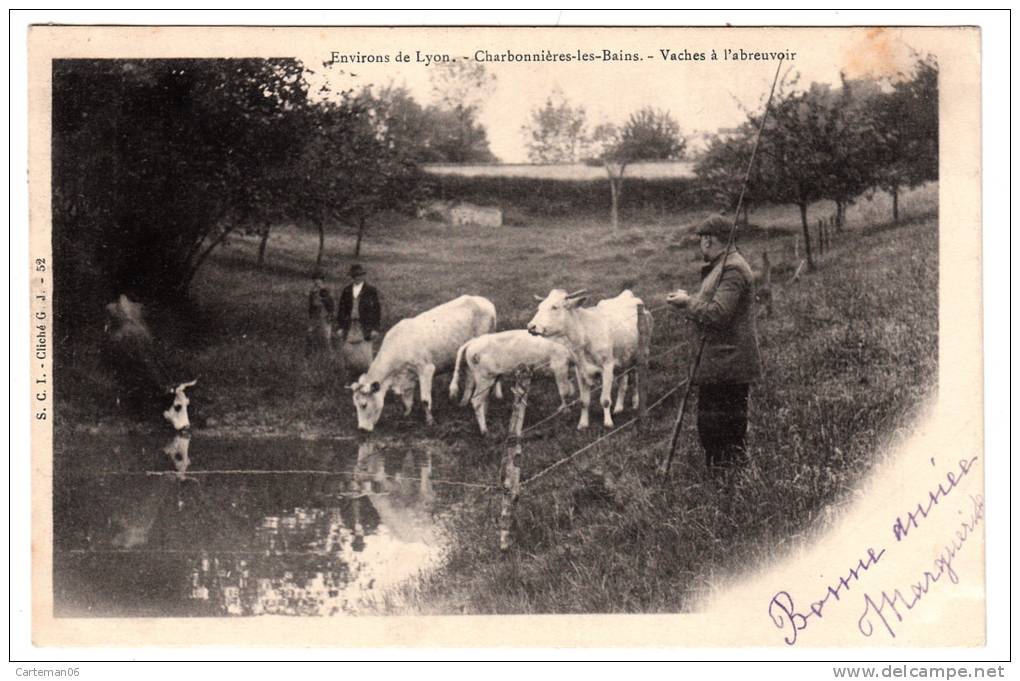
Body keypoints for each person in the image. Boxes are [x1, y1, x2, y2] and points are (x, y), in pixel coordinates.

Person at [667, 214, 763, 470]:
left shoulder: (732, 269)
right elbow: (714, 304)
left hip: (727, 366)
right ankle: (725, 483)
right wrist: (692, 300)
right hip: (721, 364)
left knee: (722, 432)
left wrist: (687, 303)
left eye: (702, 241)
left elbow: (718, 314)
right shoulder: (726, 265)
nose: (701, 247)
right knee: (715, 431)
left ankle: (727, 485)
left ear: (709, 240)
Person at [336, 263, 381, 374]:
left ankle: (366, 378)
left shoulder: (371, 290)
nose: (357, 278)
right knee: (349, 352)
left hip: (365, 326)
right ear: (351, 277)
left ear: (363, 276)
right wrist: (340, 327)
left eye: (359, 275)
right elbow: (341, 310)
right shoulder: (346, 290)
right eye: (354, 276)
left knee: (365, 355)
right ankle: (350, 378)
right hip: (349, 325)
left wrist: (375, 329)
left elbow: (376, 311)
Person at [306, 271, 336, 354]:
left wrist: (330, 315)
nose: (316, 281)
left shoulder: (325, 290)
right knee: (310, 334)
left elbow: (331, 304)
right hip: (315, 315)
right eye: (315, 279)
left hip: (324, 314)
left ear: (322, 280)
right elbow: (311, 305)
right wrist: (310, 316)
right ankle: (310, 353)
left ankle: (330, 355)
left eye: (318, 279)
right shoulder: (313, 291)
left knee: (326, 336)